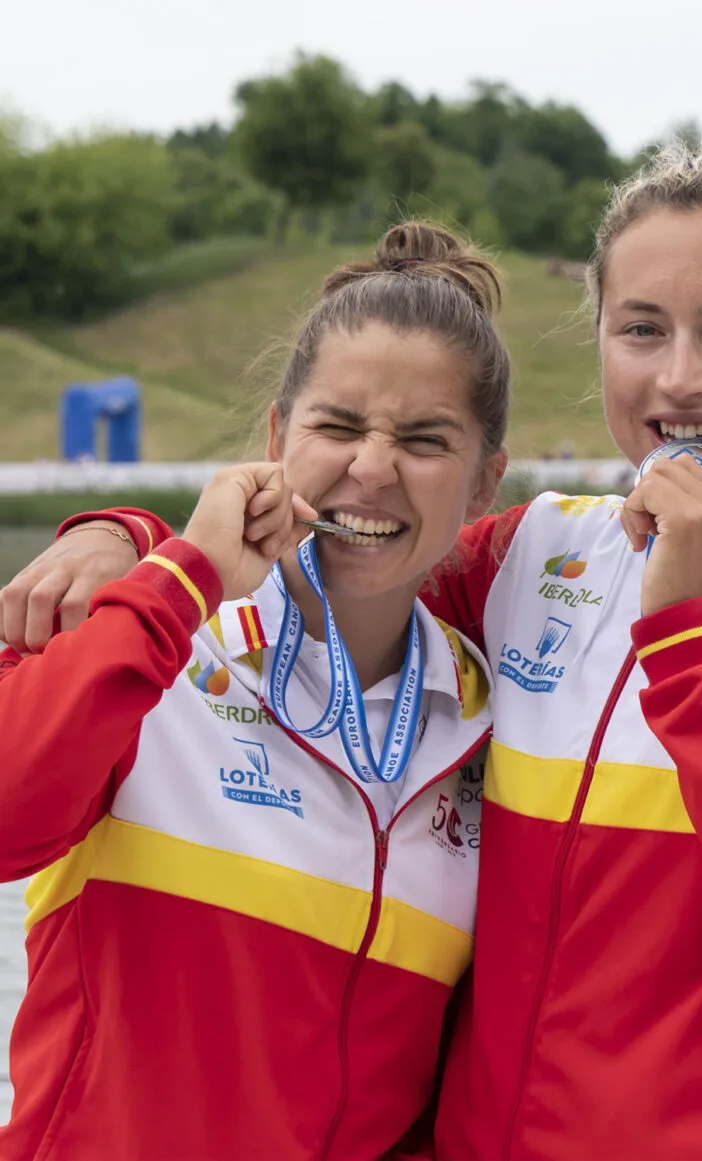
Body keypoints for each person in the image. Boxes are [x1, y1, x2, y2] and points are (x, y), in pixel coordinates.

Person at [9, 108, 702, 1159]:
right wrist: (130, 543)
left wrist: (683, 633)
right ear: (601, 341)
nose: (680, 378)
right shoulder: (540, 553)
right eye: (642, 330)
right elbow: (358, 551)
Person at [0, 222, 511, 1158]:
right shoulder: (154, 650)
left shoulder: (492, 728)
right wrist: (170, 570)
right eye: (338, 425)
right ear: (279, 436)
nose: (372, 467)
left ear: (486, 482)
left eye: (425, 439)